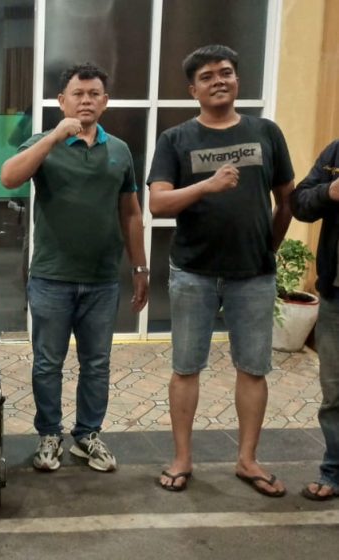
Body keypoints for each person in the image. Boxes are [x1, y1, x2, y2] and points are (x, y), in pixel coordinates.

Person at [147, 45, 294, 495]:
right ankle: (182, 458)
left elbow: (286, 200)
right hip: (193, 272)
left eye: (225, 72)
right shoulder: (176, 139)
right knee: (186, 367)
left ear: (237, 80)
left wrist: (268, 248)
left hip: (254, 274)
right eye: (207, 76)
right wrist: (207, 186)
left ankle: (247, 460)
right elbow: (157, 203)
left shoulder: (266, 132)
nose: (218, 81)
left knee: (253, 368)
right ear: (193, 90)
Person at [0, 63, 148, 473]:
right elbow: (9, 177)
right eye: (78, 94)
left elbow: (131, 212)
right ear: (61, 101)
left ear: (105, 101)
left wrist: (140, 268)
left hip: (102, 280)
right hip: (52, 277)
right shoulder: (42, 143)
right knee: (48, 363)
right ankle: (49, 434)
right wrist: (53, 137)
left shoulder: (119, 150)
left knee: (96, 364)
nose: (86, 100)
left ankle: (87, 436)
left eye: (94, 93)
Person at [289, 140, 339, 501]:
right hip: (336, 295)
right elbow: (300, 203)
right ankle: (333, 471)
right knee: (334, 393)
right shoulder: (335, 153)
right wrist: (330, 191)